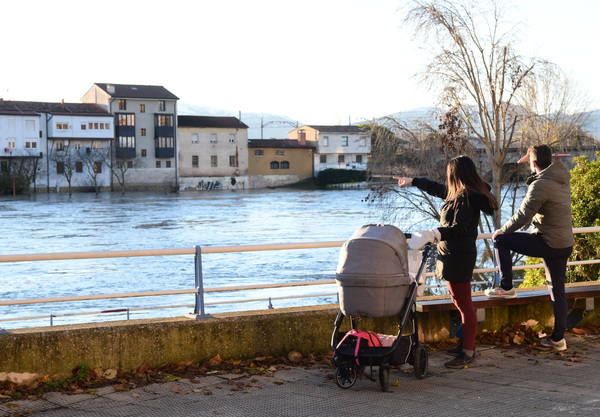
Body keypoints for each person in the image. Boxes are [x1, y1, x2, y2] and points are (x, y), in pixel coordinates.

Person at [395, 155, 498, 368]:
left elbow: (459, 230)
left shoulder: (465, 198)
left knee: (464, 304)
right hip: (455, 255)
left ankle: (467, 351)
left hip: (458, 256)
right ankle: (465, 345)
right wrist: (413, 181)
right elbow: (437, 189)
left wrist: (432, 234)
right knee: (459, 301)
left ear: (455, 174)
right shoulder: (459, 194)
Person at [485, 144, 573, 351]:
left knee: (501, 241)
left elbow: (524, 215)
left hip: (549, 242)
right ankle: (558, 339)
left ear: (533, 163)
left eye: (530, 162)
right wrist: (532, 157)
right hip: (564, 242)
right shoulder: (560, 178)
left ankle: (506, 287)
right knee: (557, 291)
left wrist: (503, 230)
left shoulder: (541, 184)